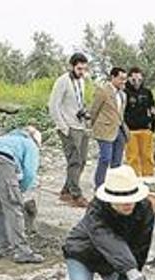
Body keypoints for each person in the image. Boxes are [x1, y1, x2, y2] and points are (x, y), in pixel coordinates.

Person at [0, 126, 45, 264]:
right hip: (1, 163)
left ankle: (1, 248)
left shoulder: (5, 139)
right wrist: (20, 191)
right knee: (14, 208)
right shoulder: (29, 143)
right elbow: (29, 173)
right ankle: (22, 252)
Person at [49, 52, 91, 208]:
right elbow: (53, 105)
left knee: (83, 160)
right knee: (74, 161)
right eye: (79, 69)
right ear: (72, 66)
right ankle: (75, 194)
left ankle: (66, 191)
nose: (82, 72)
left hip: (81, 126)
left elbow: (78, 103)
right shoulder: (62, 81)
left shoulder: (82, 81)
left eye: (84, 69)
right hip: (69, 127)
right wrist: (63, 127)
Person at [90, 67, 129, 188]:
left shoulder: (123, 94)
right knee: (105, 158)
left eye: (125, 79)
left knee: (117, 161)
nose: (123, 81)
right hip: (105, 130)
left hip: (119, 129)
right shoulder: (102, 91)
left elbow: (120, 113)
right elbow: (94, 110)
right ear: (113, 77)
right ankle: (99, 185)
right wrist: (93, 126)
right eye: (121, 79)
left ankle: (114, 185)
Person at [123, 67, 155, 177]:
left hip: (145, 129)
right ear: (129, 79)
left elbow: (152, 108)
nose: (137, 82)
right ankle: (134, 181)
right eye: (134, 80)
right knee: (133, 158)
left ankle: (149, 180)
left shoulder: (147, 92)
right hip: (131, 130)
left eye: (139, 80)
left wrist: (152, 126)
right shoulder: (124, 92)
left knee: (147, 157)